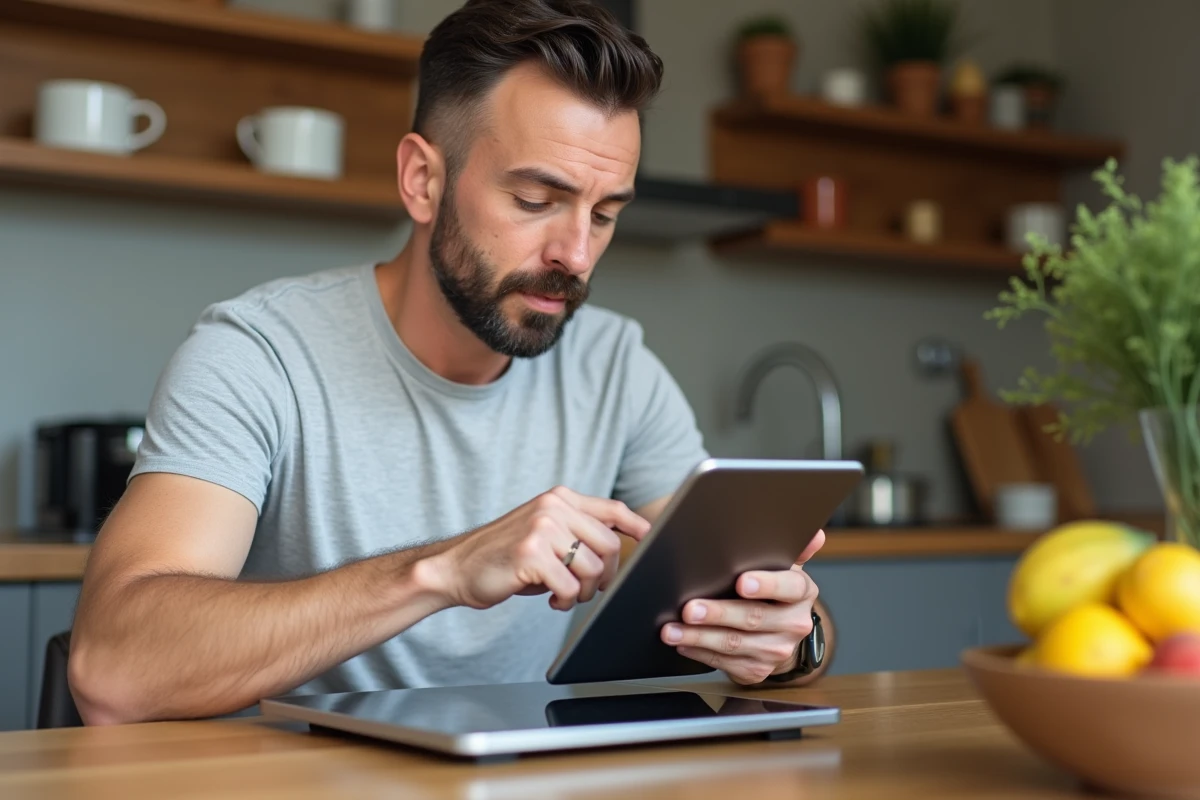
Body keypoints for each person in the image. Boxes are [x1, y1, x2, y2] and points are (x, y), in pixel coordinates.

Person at [67, 0, 830, 726]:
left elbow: (770, 606)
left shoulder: (615, 366)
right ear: (422, 181)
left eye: (603, 214)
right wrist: (443, 571)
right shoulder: (258, 355)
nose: (575, 254)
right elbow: (112, 671)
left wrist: (788, 638)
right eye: (536, 200)